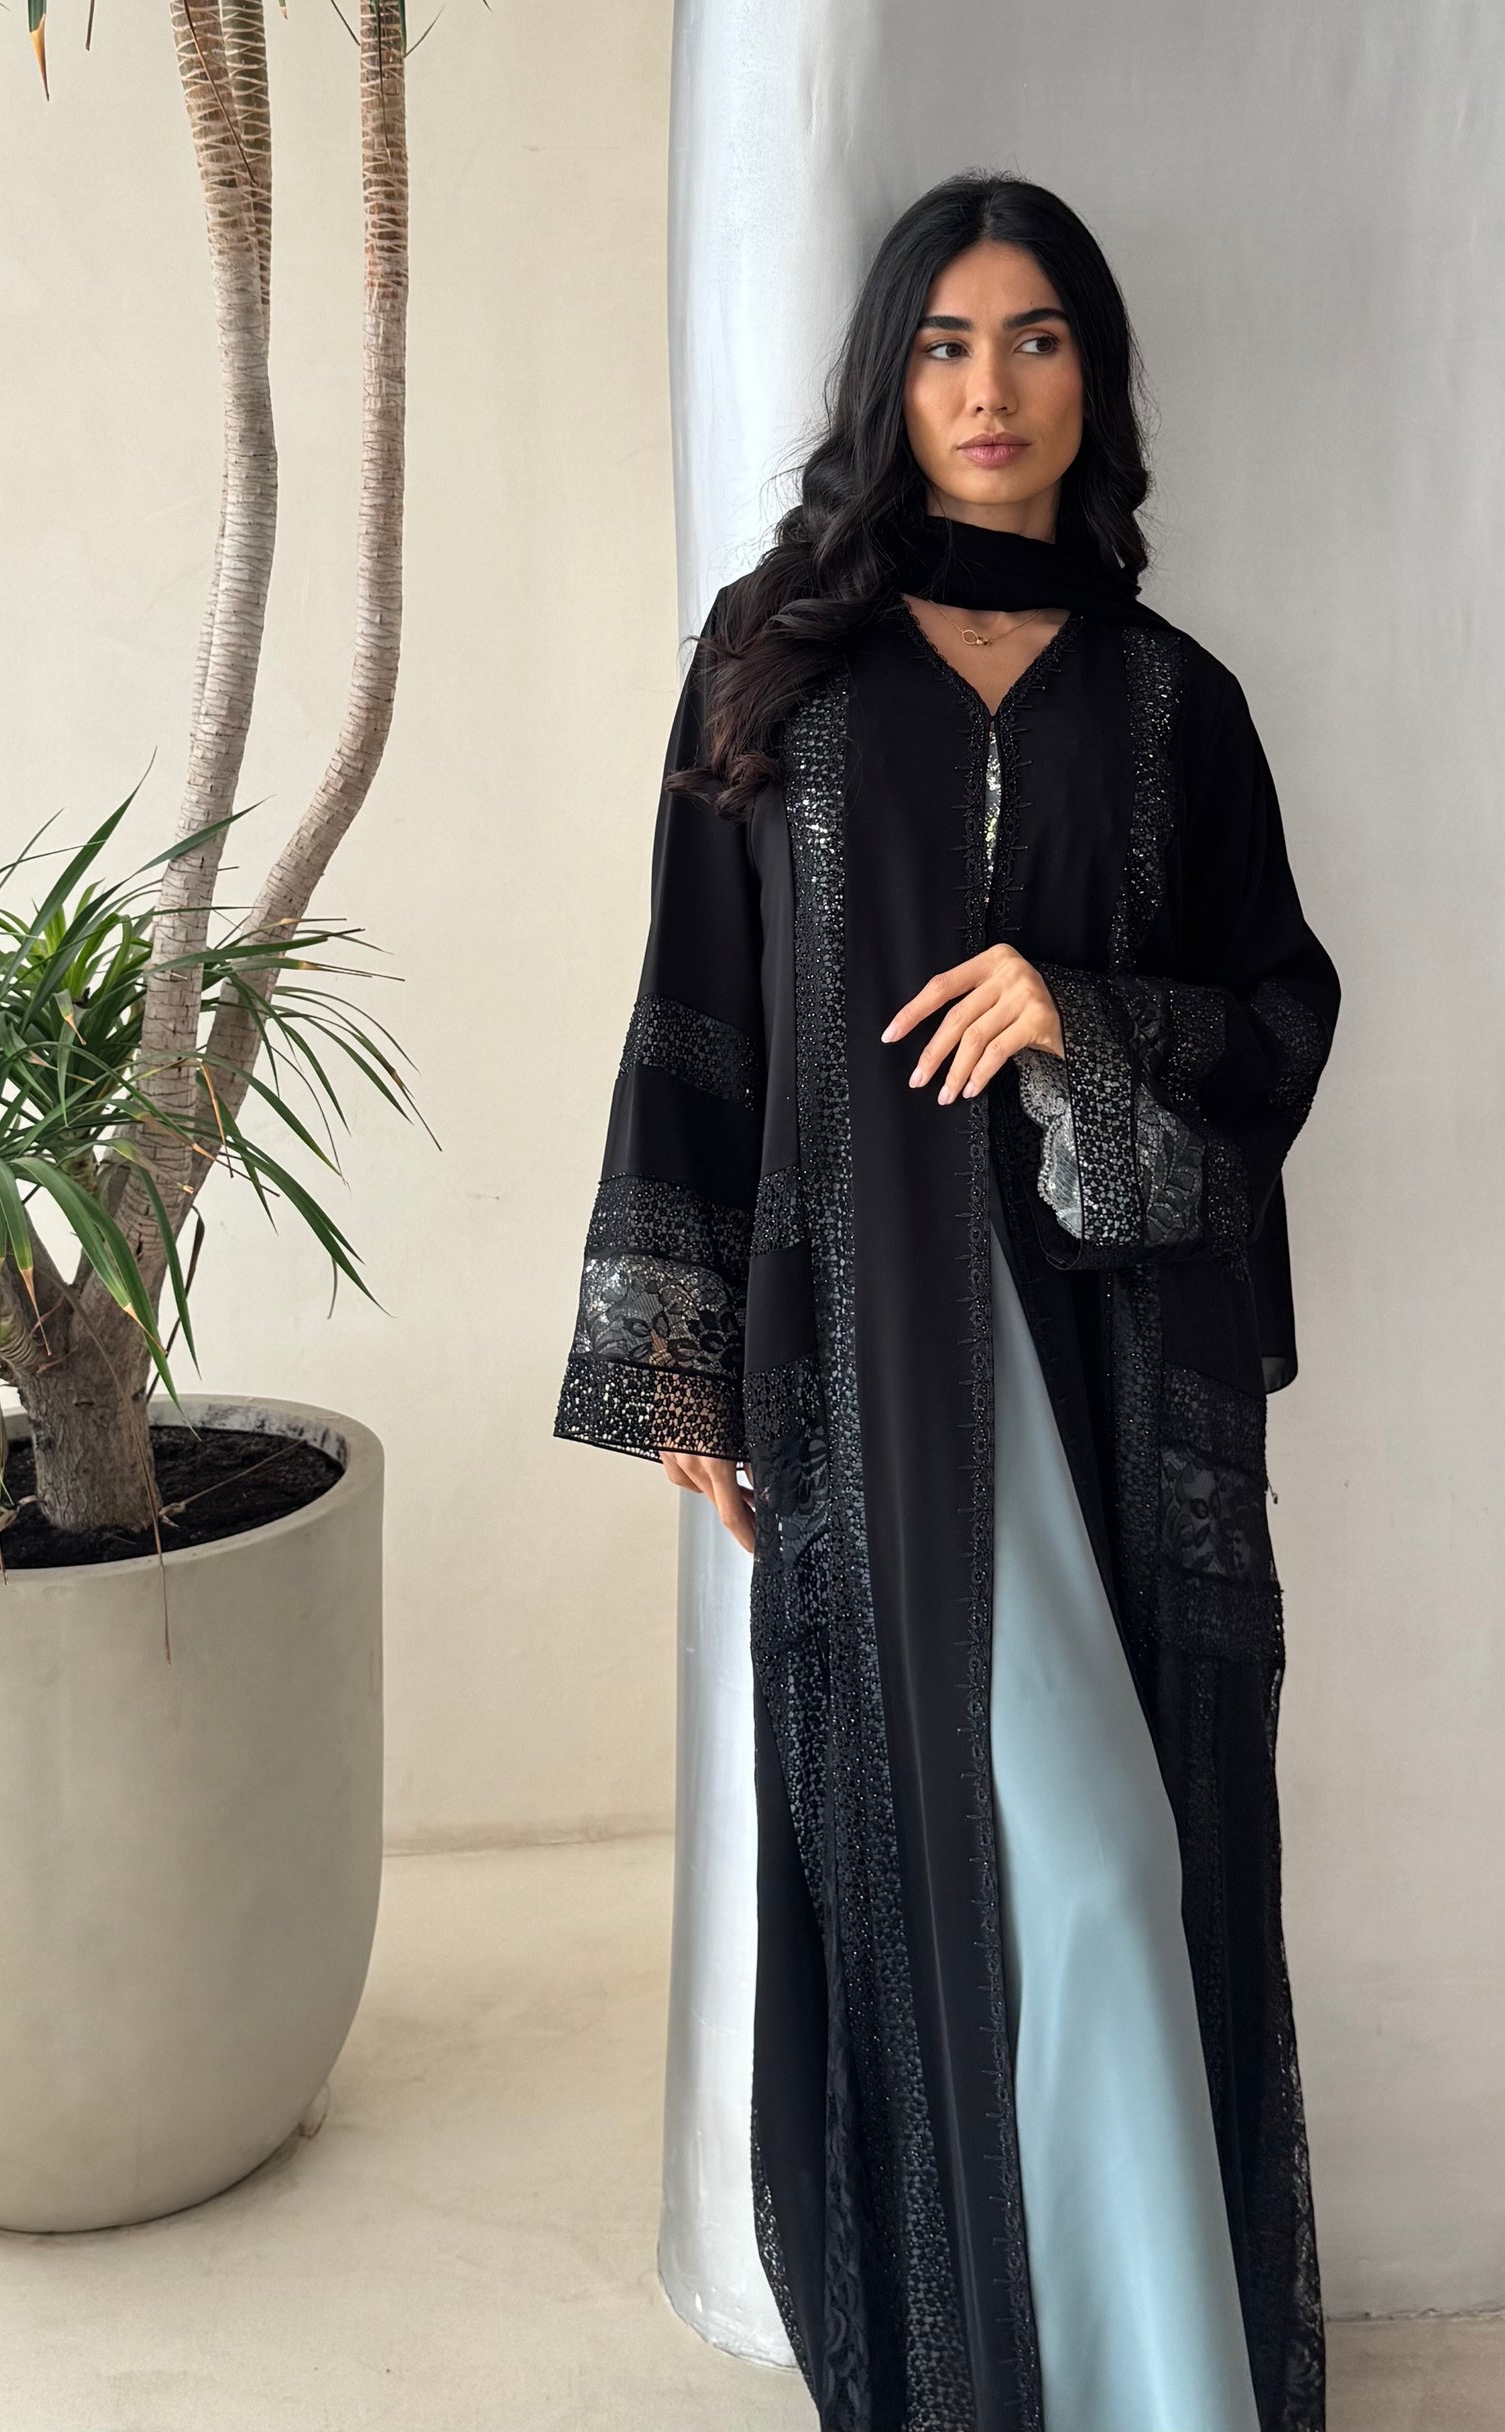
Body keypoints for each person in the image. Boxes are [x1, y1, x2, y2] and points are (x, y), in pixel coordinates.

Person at [553, 170, 1339, 2432]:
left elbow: (1275, 1017)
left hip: (1110, 1371)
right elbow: (694, 1017)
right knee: (939, 1868)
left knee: (1112, 1867)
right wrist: (680, 1358)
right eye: (943, 342)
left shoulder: (1176, 707)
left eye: (1036, 339)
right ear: (886, 379)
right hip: (867, 1361)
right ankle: (994, 2368)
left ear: (1096, 380)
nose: (989, 389)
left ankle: (1158, 2379)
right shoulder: (777, 665)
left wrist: (1076, 1009)